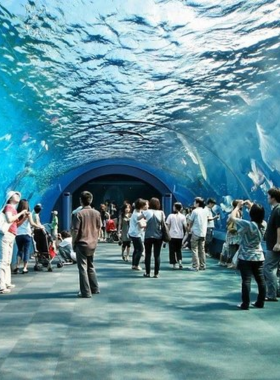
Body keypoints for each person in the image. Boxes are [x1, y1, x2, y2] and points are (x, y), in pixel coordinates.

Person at [229, 200, 266, 310]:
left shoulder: (247, 224)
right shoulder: (264, 224)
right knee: (261, 280)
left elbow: (232, 218)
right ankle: (260, 302)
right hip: (259, 256)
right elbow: (257, 214)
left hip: (245, 256)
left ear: (251, 214)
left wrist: (237, 207)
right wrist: (251, 205)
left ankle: (245, 304)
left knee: (246, 280)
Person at [72, 191, 101, 298]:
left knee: (82, 268)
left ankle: (85, 292)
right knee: (91, 266)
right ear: (91, 200)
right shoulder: (97, 213)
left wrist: (73, 242)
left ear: (81, 201)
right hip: (93, 243)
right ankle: (95, 288)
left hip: (82, 243)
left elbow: (75, 230)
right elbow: (98, 227)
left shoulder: (78, 214)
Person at [0, 191, 28, 294]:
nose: (18, 196)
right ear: (10, 198)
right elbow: (9, 219)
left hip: (12, 235)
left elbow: (16, 225)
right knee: (3, 260)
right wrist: (21, 213)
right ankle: (1, 285)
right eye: (16, 195)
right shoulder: (8, 207)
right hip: (6, 235)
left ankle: (7, 282)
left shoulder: (14, 210)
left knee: (8, 260)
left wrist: (24, 217)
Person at [14, 199, 42, 274]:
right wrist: (40, 227)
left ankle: (17, 267)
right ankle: (25, 268)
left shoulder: (16, 213)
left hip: (18, 235)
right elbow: (32, 224)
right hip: (26, 234)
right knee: (26, 251)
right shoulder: (28, 213)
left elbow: (16, 225)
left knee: (20, 250)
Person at [264, 187, 280, 302]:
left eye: (268, 196)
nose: (267, 198)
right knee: (273, 268)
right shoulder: (275, 209)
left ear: (273, 197)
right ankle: (276, 291)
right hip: (273, 244)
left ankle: (271, 294)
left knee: (268, 268)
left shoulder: (278, 210)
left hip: (274, 245)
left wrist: (278, 243)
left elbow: (279, 227)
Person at [142, 198, 164, 278]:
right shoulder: (161, 213)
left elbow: (138, 218)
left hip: (148, 236)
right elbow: (163, 224)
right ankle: (156, 273)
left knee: (148, 254)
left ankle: (147, 273)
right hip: (158, 236)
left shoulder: (147, 212)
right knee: (157, 255)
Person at [187, 197, 208, 271]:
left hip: (195, 232)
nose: (193, 203)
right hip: (203, 233)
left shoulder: (195, 211)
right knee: (202, 250)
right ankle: (203, 265)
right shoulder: (205, 211)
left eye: (194, 202)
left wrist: (189, 229)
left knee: (194, 249)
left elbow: (191, 221)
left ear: (198, 203)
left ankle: (195, 266)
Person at [128, 198, 147, 271]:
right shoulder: (137, 214)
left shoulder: (135, 212)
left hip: (133, 233)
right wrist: (147, 224)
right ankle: (136, 265)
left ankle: (133, 264)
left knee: (136, 249)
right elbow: (141, 225)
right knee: (140, 249)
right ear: (141, 206)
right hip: (136, 234)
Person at [166, 202, 187, 269]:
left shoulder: (170, 216)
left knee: (172, 250)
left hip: (172, 235)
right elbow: (185, 226)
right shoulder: (183, 216)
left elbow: (168, 226)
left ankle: (174, 264)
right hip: (180, 236)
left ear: (175, 208)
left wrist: (166, 234)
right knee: (178, 250)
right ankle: (180, 262)